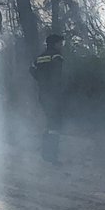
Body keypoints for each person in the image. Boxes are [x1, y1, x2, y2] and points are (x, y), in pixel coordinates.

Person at [29, 34, 65, 164]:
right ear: (55, 44)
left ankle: (46, 153)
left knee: (50, 122)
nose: (62, 46)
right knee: (55, 124)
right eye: (61, 43)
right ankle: (51, 156)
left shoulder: (40, 57)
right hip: (53, 94)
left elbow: (31, 69)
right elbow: (58, 75)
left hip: (43, 93)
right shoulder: (56, 56)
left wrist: (41, 80)